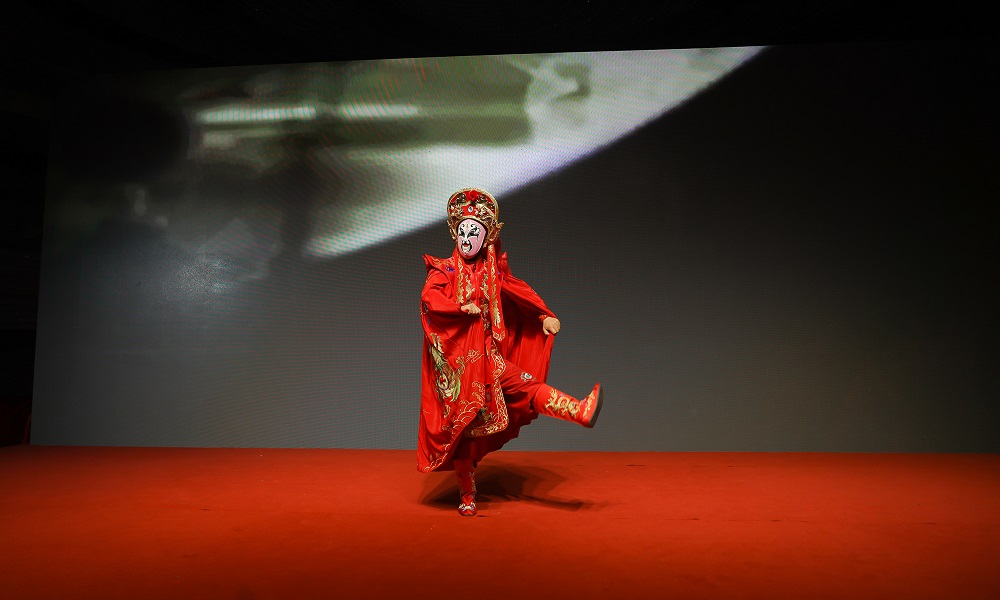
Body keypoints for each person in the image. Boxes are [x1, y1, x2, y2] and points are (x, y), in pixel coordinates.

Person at [418, 188, 603, 516]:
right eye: (463, 232)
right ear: (455, 234)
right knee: (463, 432)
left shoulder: (493, 273)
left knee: (526, 385)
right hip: (460, 368)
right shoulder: (443, 271)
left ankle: (579, 411)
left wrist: (542, 316)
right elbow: (430, 300)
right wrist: (460, 308)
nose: (467, 239)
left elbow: (518, 293)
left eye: (474, 232)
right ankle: (467, 495)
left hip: (490, 360)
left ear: (486, 237)